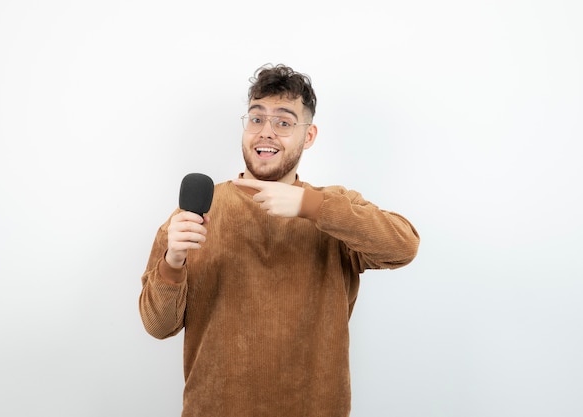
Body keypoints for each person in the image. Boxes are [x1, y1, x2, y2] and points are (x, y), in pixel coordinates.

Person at [139, 64, 420, 417]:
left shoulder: (332, 208)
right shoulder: (196, 214)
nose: (266, 133)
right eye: (256, 119)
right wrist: (173, 262)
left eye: (284, 122)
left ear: (309, 135)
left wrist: (310, 205)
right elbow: (158, 326)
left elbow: (404, 247)